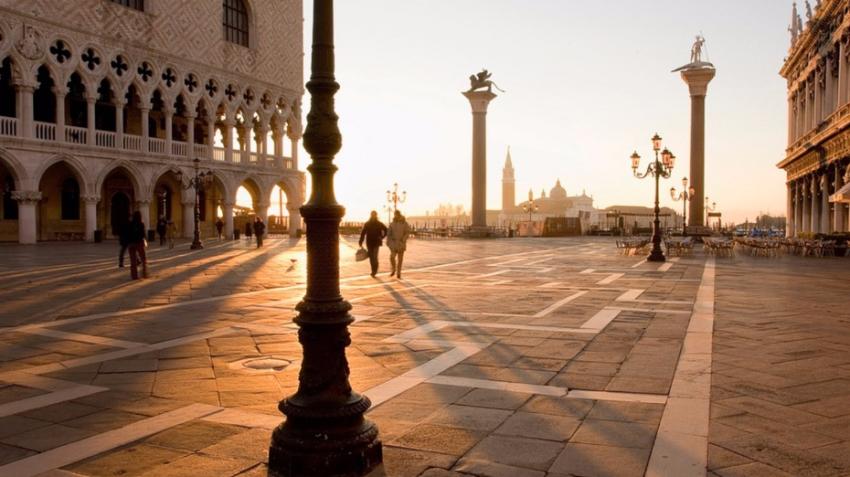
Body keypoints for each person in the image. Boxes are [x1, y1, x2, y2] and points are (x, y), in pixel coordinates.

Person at [359, 211, 387, 277]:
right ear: (371, 215)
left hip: (376, 242)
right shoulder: (367, 223)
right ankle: (373, 270)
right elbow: (363, 233)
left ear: (376, 215)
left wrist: (382, 237)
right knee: (371, 257)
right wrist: (360, 241)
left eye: (374, 215)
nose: (373, 216)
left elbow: (386, 230)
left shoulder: (379, 223)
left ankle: (375, 270)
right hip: (369, 243)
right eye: (372, 215)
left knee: (374, 257)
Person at [386, 210, 411, 279]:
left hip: (401, 243)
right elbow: (389, 234)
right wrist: (388, 242)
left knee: (400, 259)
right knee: (392, 257)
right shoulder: (392, 223)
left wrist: (403, 239)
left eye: (396, 214)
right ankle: (393, 269)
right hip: (393, 244)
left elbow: (407, 232)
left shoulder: (404, 223)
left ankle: (398, 272)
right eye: (395, 214)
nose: (395, 215)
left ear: (399, 214)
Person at [127, 211, 148, 280]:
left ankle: (134, 276)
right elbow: (143, 234)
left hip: (131, 244)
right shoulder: (141, 224)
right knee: (143, 259)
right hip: (139, 243)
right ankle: (144, 274)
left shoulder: (129, 224)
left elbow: (127, 234)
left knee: (133, 261)